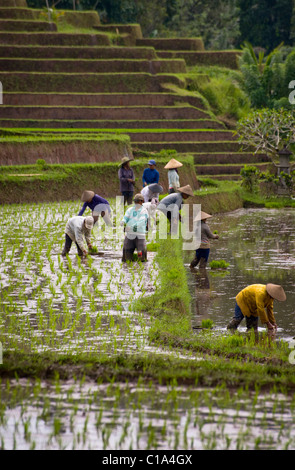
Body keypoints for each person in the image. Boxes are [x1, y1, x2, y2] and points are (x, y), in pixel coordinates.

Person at [121, 193, 149, 262]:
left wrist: (131, 227)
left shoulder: (144, 211)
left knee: (141, 254)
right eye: (135, 201)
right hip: (130, 235)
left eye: (138, 201)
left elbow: (141, 222)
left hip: (140, 235)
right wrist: (123, 221)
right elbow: (126, 217)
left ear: (142, 201)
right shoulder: (130, 210)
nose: (136, 203)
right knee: (126, 254)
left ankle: (141, 266)